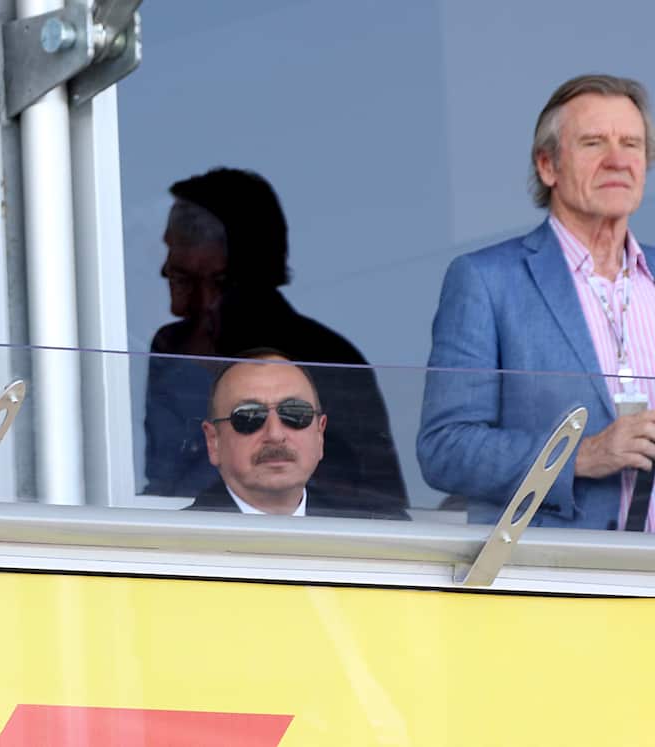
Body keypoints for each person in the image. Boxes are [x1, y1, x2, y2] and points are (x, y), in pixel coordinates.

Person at [419, 73, 655, 530]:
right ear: (548, 166)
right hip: (553, 581)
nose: (617, 160)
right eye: (593, 144)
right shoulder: (487, 281)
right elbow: (444, 449)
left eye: (632, 143)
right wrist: (581, 454)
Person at [145, 167, 408, 517]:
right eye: (247, 417)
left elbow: (381, 505)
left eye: (295, 415)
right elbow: (161, 480)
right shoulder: (171, 346)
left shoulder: (328, 356)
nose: (165, 265)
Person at [189, 350, 408, 519]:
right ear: (213, 441)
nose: (275, 434)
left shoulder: (381, 533)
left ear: (320, 433)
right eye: (249, 416)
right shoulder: (174, 543)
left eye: (295, 413)